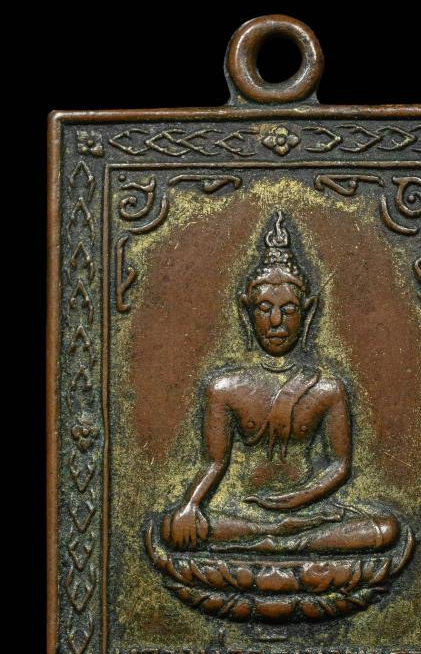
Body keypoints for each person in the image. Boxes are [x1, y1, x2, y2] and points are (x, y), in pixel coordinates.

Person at [161, 210, 399, 555]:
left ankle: (279, 538)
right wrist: (191, 505)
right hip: (244, 508)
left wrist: (297, 499)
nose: (276, 321)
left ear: (308, 311)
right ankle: (276, 534)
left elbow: (339, 465)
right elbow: (214, 463)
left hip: (313, 510)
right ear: (246, 310)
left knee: (386, 529)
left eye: (288, 310)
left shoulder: (327, 389)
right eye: (264, 309)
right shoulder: (225, 388)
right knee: (172, 528)